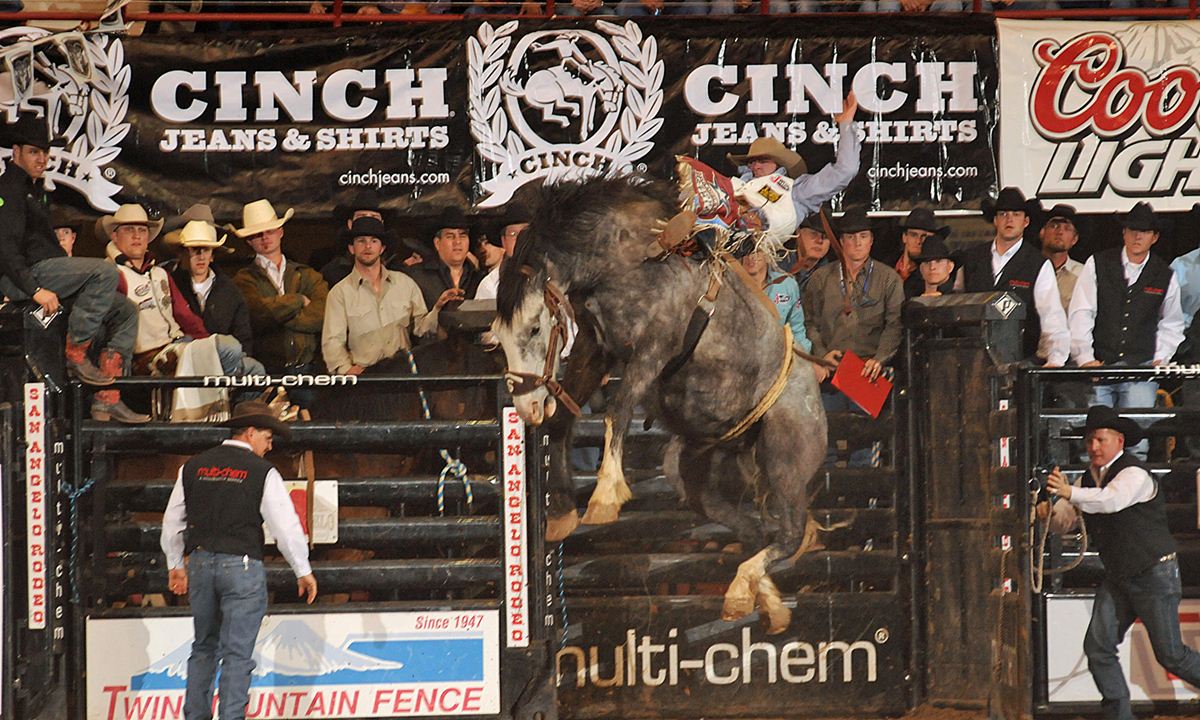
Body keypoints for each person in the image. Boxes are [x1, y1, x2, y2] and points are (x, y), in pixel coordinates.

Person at [160, 399, 317, 720]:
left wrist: (176, 565)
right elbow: (284, 526)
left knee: (203, 648)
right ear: (249, 432)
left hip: (201, 565)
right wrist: (302, 569)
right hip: (242, 568)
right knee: (236, 655)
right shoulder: (262, 472)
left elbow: (172, 522)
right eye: (267, 436)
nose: (270, 445)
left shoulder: (192, 467)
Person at [1043, 405, 1200, 720]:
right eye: (1090, 441)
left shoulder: (1134, 473)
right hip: (1121, 574)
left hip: (1152, 572)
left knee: (1170, 654)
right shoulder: (1090, 478)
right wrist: (1050, 508)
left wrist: (1070, 491)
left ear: (1118, 441)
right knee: (1098, 647)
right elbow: (1070, 520)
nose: (1093, 447)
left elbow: (1110, 501)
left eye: (1099, 440)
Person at [0, 113, 146, 418]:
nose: (42, 159)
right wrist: (35, 289)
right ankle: (76, 353)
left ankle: (107, 394)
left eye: (45, 153)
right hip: (27, 276)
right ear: (16, 152)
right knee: (105, 271)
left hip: (45, 270)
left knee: (126, 310)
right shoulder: (9, 190)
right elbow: (5, 248)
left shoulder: (31, 188)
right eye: (34, 152)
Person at [1068, 202, 1183, 415]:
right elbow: (1081, 312)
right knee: (1096, 431)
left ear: (1154, 237)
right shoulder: (1099, 263)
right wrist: (1085, 357)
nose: (1138, 236)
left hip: (1141, 366)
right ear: (1124, 233)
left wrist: (1160, 357)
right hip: (1101, 364)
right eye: (1133, 230)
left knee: (1138, 439)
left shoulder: (1165, 274)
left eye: (1145, 231)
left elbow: (1172, 322)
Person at [954, 187, 1070, 367]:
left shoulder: (1038, 263)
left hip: (1021, 361)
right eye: (1003, 214)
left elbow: (1051, 314)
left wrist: (1055, 358)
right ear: (995, 220)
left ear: (1026, 221)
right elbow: (957, 304)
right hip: (973, 361)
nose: (1009, 219)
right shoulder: (971, 258)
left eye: (1016, 214)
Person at [727, 93, 861, 240]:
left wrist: (846, 124)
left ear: (779, 164)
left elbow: (845, 170)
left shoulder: (798, 192)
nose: (756, 166)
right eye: (752, 162)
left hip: (759, 253)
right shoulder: (735, 183)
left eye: (763, 160)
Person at [322, 216, 440, 377]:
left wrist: (438, 308)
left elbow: (421, 328)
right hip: (365, 378)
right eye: (361, 241)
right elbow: (332, 340)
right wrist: (345, 369)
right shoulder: (340, 293)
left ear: (382, 248)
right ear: (351, 248)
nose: (368, 246)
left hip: (403, 376)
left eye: (374, 241)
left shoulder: (405, 283)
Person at [232, 199, 328, 391]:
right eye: (258, 234)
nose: (265, 238)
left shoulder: (307, 273)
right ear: (249, 241)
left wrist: (277, 315)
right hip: (268, 371)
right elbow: (257, 314)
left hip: (308, 370)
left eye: (270, 231)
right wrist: (298, 300)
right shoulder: (243, 279)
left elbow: (323, 314)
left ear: (281, 232)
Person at [171, 220, 261, 375]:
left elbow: (243, 336)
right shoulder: (171, 285)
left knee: (254, 369)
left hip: (222, 361)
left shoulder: (231, 292)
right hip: (185, 359)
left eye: (205, 250)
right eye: (195, 250)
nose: (200, 256)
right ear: (184, 254)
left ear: (212, 255)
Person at [405, 209, 484, 313]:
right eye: (450, 236)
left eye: (463, 235)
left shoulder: (480, 278)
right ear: (437, 243)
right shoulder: (417, 276)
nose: (458, 241)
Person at [741, 249, 812, 352]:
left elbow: (796, 329)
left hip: (777, 358)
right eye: (745, 252)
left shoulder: (787, 285)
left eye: (757, 251)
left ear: (768, 252)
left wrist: (805, 359)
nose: (751, 257)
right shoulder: (729, 285)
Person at [475, 206, 530, 301]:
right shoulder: (490, 286)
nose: (520, 239)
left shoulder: (548, 277)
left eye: (526, 232)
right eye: (513, 234)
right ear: (504, 241)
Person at [1039, 203, 1084, 312]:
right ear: (1042, 233)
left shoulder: (1082, 274)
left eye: (1067, 228)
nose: (1059, 232)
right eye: (1054, 226)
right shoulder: (1026, 268)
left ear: (1074, 239)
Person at [892, 208, 946, 284]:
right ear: (904, 237)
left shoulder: (933, 275)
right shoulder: (885, 266)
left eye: (924, 236)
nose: (918, 241)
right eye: (913, 235)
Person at [792, 212, 832, 295]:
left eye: (825, 236)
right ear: (798, 234)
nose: (819, 241)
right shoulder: (775, 267)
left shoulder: (833, 275)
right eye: (813, 234)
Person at [909, 234, 955, 298]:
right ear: (921, 269)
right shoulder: (909, 296)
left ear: (950, 267)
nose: (932, 267)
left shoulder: (961, 298)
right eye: (927, 262)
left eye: (938, 261)